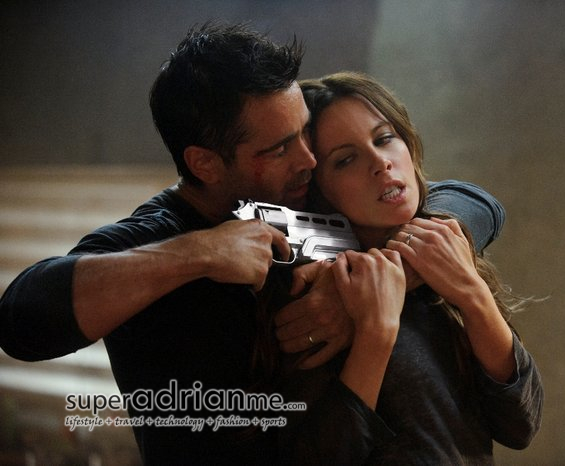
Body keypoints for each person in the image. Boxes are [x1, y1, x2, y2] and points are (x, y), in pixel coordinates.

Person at [0, 24, 506, 465]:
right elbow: (21, 319)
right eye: (281, 147)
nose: (309, 159)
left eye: (304, 133)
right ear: (204, 163)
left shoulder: (295, 202)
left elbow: (471, 200)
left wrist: (388, 275)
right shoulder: (157, 233)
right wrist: (199, 254)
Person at [254, 72, 542, 464]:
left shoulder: (442, 254)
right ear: (318, 188)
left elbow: (521, 424)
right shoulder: (311, 289)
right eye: (346, 160)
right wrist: (374, 330)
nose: (380, 163)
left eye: (384, 138)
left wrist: (471, 294)